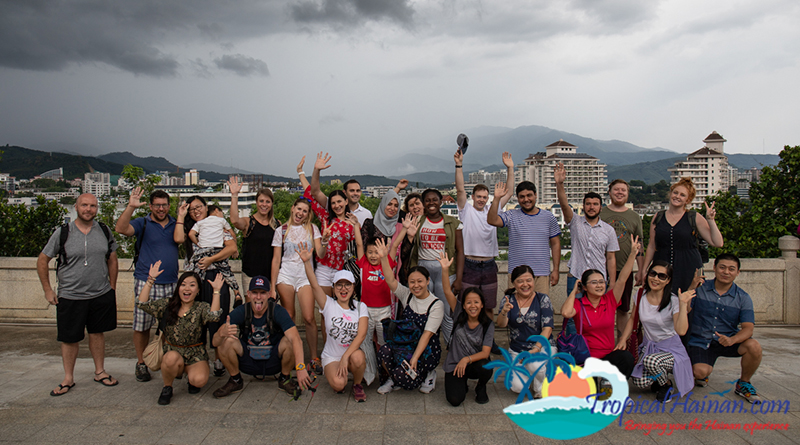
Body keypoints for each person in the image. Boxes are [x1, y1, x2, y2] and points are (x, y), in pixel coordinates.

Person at [37, 193, 119, 396]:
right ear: (76, 207)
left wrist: (112, 286)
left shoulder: (104, 231)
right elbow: (42, 260)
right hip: (70, 294)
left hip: (99, 293)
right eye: (84, 205)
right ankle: (68, 378)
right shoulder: (62, 232)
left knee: (97, 334)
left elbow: (113, 259)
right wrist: (48, 289)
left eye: (92, 206)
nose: (88, 209)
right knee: (69, 338)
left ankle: (100, 371)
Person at [115, 187, 179, 383]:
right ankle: (141, 362)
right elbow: (121, 229)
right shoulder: (143, 222)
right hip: (146, 281)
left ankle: (167, 360)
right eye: (157, 205)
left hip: (170, 281)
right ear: (150, 206)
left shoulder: (176, 224)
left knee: (169, 325)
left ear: (169, 206)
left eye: (164, 205)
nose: (161, 209)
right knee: (142, 325)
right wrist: (130, 207)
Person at [211, 275, 312, 398]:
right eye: (255, 292)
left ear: (269, 294)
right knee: (226, 340)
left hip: (273, 361)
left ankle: (284, 378)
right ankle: (235, 380)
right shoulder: (242, 310)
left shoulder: (278, 311)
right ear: (248, 294)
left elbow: (296, 339)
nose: (258, 297)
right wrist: (221, 334)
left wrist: (300, 367)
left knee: (289, 340)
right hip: (248, 359)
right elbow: (215, 342)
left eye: (262, 293)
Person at [136, 262, 222, 405]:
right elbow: (142, 304)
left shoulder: (201, 307)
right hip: (173, 351)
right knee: (170, 359)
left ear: (198, 290)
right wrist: (150, 280)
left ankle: (191, 379)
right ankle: (167, 387)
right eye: (183, 284)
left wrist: (217, 291)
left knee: (199, 380)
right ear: (178, 288)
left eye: (192, 285)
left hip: (195, 353)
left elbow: (214, 316)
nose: (187, 288)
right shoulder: (168, 305)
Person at [561, 235, 642, 386]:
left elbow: (622, 279)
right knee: (590, 398)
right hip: (586, 360)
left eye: (601, 282)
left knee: (626, 358)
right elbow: (566, 313)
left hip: (608, 357)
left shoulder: (610, 300)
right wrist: (574, 291)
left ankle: (610, 383)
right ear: (584, 287)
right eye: (594, 283)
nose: (599, 285)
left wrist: (632, 254)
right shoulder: (579, 304)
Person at [174, 196, 238, 377]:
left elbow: (232, 247)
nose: (196, 211)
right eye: (192, 209)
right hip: (194, 280)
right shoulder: (190, 229)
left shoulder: (217, 226)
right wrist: (181, 215)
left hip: (215, 276)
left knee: (218, 318)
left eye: (199, 207)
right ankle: (195, 362)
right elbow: (179, 238)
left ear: (206, 207)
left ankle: (219, 360)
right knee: (194, 321)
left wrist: (210, 259)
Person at [687, 254, 763, 404]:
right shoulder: (700, 288)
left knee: (754, 346)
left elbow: (748, 329)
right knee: (700, 372)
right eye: (722, 267)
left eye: (731, 269)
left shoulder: (743, 297)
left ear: (738, 272)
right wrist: (690, 287)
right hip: (701, 340)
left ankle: (744, 383)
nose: (726, 272)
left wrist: (732, 340)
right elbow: (684, 310)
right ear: (714, 268)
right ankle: (702, 374)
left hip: (727, 340)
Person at [615, 261, 694, 403]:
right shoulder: (640, 296)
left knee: (651, 362)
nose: (656, 279)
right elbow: (633, 318)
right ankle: (659, 377)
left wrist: (683, 305)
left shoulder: (673, 300)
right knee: (639, 382)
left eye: (662, 276)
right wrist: (622, 340)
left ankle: (666, 385)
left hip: (671, 351)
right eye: (653, 274)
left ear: (668, 280)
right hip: (650, 347)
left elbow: (681, 331)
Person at [300, 247, 369, 402]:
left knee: (358, 357)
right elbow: (315, 285)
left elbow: (362, 334)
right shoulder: (328, 304)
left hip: (351, 355)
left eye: (347, 285)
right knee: (338, 385)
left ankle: (357, 384)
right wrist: (306, 263)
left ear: (353, 287)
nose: (343, 289)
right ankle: (340, 376)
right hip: (331, 356)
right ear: (333, 288)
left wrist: (345, 357)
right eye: (339, 285)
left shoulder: (360, 307)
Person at [376, 238, 444, 394]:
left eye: (420, 281)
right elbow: (390, 280)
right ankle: (394, 377)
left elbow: (427, 336)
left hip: (426, 350)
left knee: (405, 379)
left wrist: (414, 358)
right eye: (412, 282)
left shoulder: (436, 304)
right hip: (406, 344)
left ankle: (428, 373)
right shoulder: (407, 295)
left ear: (428, 281)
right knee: (384, 351)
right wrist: (383, 258)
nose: (416, 285)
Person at [455, 150, 514, 319]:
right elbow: (460, 190)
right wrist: (459, 165)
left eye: (485, 197)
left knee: (488, 306)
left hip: (489, 264)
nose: (481, 200)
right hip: (469, 263)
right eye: (478, 196)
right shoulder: (466, 210)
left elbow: (508, 192)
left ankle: (488, 339)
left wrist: (510, 168)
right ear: (472, 197)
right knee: (467, 305)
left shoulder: (492, 210)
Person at [271, 197, 325, 374]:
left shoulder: (312, 229)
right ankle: (293, 355)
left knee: (309, 317)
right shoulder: (281, 230)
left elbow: (320, 253)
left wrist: (324, 240)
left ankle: (314, 358)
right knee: (289, 316)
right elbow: (276, 259)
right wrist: (272, 286)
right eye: (298, 209)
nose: (300, 213)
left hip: (305, 275)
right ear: (292, 208)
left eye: (305, 211)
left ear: (308, 214)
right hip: (286, 274)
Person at [644, 177, 723, 296]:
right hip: (662, 268)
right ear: (670, 194)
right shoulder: (658, 217)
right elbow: (651, 246)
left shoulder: (693, 217)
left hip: (688, 267)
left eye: (682, 195)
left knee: (688, 305)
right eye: (675, 193)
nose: (677, 196)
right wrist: (644, 270)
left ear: (688, 200)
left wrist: (710, 220)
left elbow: (717, 243)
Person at [408, 188, 464, 345]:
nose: (431, 203)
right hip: (423, 269)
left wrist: (459, 278)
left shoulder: (453, 223)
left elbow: (460, 251)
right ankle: (426, 349)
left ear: (441, 202)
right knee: (424, 312)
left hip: (445, 271)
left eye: (435, 200)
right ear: (424, 203)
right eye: (427, 200)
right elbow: (412, 247)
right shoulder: (418, 221)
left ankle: (452, 346)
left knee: (447, 312)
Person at [437, 254, 494, 406]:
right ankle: (462, 383)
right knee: (455, 400)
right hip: (455, 364)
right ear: (463, 305)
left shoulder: (487, 324)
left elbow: (485, 353)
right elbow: (447, 292)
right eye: (468, 302)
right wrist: (444, 270)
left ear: (482, 304)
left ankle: (481, 387)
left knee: (486, 366)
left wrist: (466, 359)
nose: (472, 306)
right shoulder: (459, 314)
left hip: (472, 363)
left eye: (476, 302)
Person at [554, 162, 619, 295]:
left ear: (601, 207)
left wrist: (612, 282)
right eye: (588, 204)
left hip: (599, 279)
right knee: (574, 313)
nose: (591, 207)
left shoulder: (608, 230)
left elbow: (611, 257)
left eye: (595, 204)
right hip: (577, 276)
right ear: (583, 206)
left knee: (597, 314)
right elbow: (564, 205)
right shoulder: (575, 222)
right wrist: (559, 184)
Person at [487, 182, 560, 293]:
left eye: (529, 195)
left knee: (541, 307)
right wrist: (496, 198)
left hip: (541, 273)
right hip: (517, 274)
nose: (526, 199)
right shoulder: (511, 215)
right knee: (516, 307)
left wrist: (555, 269)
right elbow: (492, 220)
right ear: (518, 198)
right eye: (522, 197)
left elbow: (555, 244)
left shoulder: (548, 217)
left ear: (535, 195)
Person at [495, 265, 554, 399]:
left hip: (541, 346)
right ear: (513, 283)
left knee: (534, 363)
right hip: (518, 349)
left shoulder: (542, 299)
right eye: (520, 281)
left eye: (529, 280)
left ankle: (542, 384)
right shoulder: (508, 299)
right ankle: (531, 372)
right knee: (517, 387)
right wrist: (504, 312)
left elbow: (547, 328)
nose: (525, 284)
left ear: (534, 281)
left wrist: (535, 348)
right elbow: (501, 324)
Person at [357, 218, 413, 349]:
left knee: (384, 342)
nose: (373, 255)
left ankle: (384, 366)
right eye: (370, 252)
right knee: (366, 341)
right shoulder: (364, 263)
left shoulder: (386, 262)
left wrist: (404, 228)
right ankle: (369, 367)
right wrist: (355, 225)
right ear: (365, 254)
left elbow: (395, 245)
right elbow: (359, 245)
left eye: (376, 252)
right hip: (366, 310)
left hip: (384, 310)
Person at [599, 179, 645, 336]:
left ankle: (622, 343)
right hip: (600, 271)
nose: (620, 193)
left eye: (623, 190)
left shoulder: (634, 216)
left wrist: (641, 270)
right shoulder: (601, 213)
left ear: (627, 193)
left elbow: (640, 246)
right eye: (616, 190)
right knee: (601, 310)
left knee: (623, 309)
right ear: (609, 192)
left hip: (625, 270)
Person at [228, 176, 280, 290]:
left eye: (267, 202)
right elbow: (235, 221)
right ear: (256, 202)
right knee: (251, 306)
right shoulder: (249, 222)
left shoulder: (277, 224)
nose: (264, 204)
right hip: (250, 274)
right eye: (261, 201)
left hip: (271, 276)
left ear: (272, 204)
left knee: (269, 306)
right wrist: (234, 195)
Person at [188, 204, 242, 299]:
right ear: (217, 210)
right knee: (226, 271)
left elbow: (191, 234)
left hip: (203, 251)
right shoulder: (221, 221)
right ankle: (236, 292)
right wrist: (235, 249)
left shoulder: (201, 222)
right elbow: (232, 234)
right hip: (217, 250)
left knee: (196, 274)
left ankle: (193, 293)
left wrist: (199, 244)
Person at [310, 152, 372, 225]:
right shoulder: (336, 206)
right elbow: (315, 192)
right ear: (344, 192)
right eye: (352, 191)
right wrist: (316, 170)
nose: (355, 193)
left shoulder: (367, 214)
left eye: (357, 191)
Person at [398, 192, 424, 286]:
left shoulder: (431, 221)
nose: (415, 207)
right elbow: (402, 254)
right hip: (412, 269)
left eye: (417, 204)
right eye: (411, 205)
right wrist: (410, 237)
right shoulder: (404, 224)